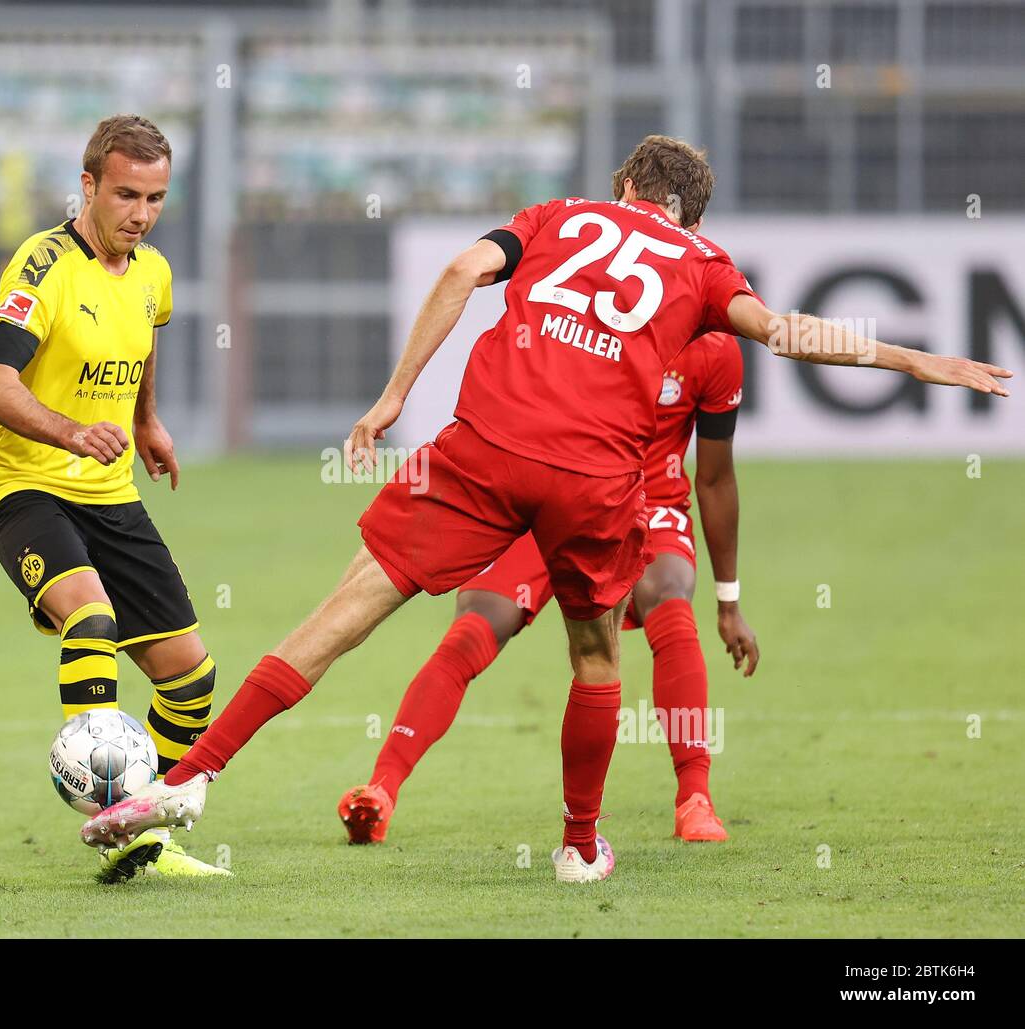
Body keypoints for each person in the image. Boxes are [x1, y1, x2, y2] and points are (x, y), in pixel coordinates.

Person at [80, 135, 1010, 884]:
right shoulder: (705, 264)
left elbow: (456, 273)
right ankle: (578, 844)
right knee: (598, 651)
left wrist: (396, 395)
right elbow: (789, 334)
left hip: (482, 443)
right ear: (690, 211)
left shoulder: (558, 216)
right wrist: (921, 361)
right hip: (596, 475)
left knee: (347, 609)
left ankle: (193, 778)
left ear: (625, 185)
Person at [339, 331, 756, 846]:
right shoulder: (582, 310)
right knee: (476, 625)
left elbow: (714, 479)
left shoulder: (714, 347)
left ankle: (695, 798)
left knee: (668, 598)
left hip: (649, 503)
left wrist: (729, 601)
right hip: (550, 496)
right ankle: (381, 790)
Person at [0, 114, 227, 880]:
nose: (141, 214)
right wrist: (71, 431)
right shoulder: (43, 263)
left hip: (112, 494)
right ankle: (132, 834)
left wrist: (147, 422)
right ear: (89, 186)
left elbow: (145, 338)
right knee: (90, 615)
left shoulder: (152, 270)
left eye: (154, 198)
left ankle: (146, 823)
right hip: (26, 488)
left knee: (191, 681)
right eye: (126, 195)